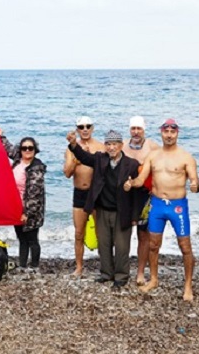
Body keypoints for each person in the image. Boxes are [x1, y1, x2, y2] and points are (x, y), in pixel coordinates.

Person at [129, 119, 199, 301]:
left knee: (185, 247)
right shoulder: (153, 156)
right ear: (161, 133)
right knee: (153, 245)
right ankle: (153, 279)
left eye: (173, 131)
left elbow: (196, 182)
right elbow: (141, 179)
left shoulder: (186, 157)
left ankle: (188, 286)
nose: (169, 134)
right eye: (166, 131)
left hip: (178, 206)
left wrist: (195, 185)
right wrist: (131, 183)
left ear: (177, 133)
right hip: (157, 205)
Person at [69, 129, 142, 290]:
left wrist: (135, 215)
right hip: (102, 209)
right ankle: (106, 273)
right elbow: (83, 156)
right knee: (104, 243)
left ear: (121, 145)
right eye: (108, 144)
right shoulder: (100, 159)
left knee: (122, 246)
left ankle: (121, 276)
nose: (111, 147)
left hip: (123, 211)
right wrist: (74, 144)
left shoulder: (131, 164)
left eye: (114, 144)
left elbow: (139, 192)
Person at [63, 116, 105, 277]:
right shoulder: (70, 148)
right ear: (77, 130)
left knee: (101, 232)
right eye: (81, 127)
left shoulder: (100, 147)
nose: (85, 129)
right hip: (79, 193)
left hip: (96, 193)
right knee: (79, 233)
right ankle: (79, 267)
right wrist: (77, 160)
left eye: (88, 126)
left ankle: (105, 266)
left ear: (93, 128)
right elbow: (67, 173)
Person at [121, 116, 159, 286]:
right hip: (125, 194)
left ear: (144, 130)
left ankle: (141, 272)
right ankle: (121, 268)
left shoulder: (152, 146)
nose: (136, 132)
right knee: (122, 233)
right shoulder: (121, 145)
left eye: (139, 129)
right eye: (133, 129)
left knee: (143, 235)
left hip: (144, 194)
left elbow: (164, 165)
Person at [1, 133, 46, 271]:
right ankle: (22, 265)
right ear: (20, 150)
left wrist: (27, 213)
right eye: (24, 148)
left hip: (32, 209)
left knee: (32, 239)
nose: (27, 150)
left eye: (30, 148)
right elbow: (7, 148)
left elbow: (34, 194)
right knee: (21, 238)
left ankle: (34, 266)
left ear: (35, 150)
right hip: (16, 207)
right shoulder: (18, 159)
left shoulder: (37, 168)